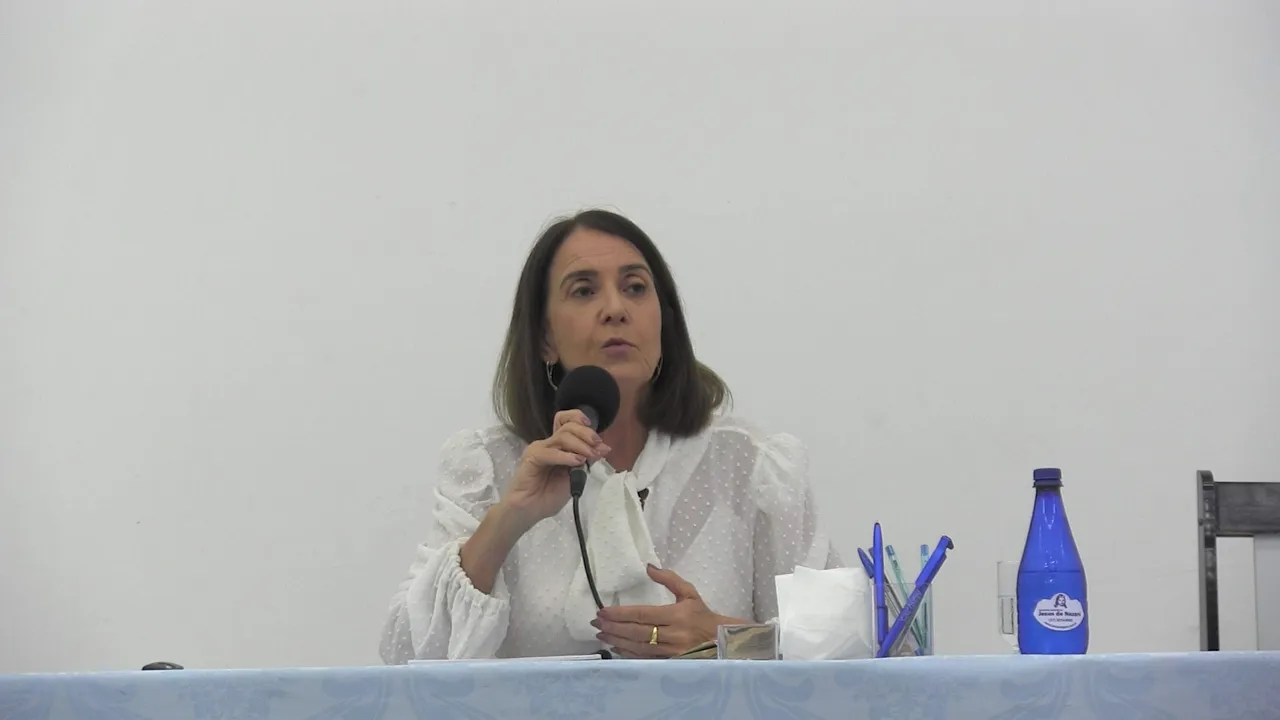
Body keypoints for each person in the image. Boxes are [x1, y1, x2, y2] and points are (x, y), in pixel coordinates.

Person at [379, 209, 839, 662]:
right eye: (584, 291)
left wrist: (724, 640)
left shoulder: (752, 467)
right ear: (545, 338)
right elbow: (406, 655)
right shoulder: (487, 468)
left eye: (635, 288)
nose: (616, 309)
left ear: (664, 323)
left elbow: (838, 650)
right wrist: (510, 517)